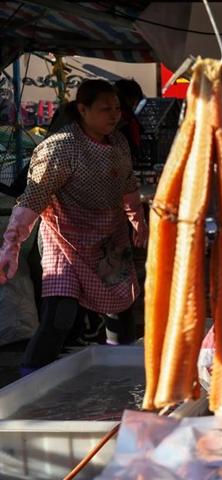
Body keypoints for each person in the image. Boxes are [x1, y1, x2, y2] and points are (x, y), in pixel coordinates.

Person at [0, 79, 149, 374]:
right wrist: (11, 246)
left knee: (120, 309)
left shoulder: (118, 143)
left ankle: (122, 372)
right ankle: (30, 376)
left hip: (109, 238)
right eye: (106, 109)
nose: (115, 115)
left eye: (117, 108)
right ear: (82, 109)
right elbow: (33, 197)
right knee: (61, 314)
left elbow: (128, 186)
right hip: (64, 239)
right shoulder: (61, 146)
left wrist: (139, 222)